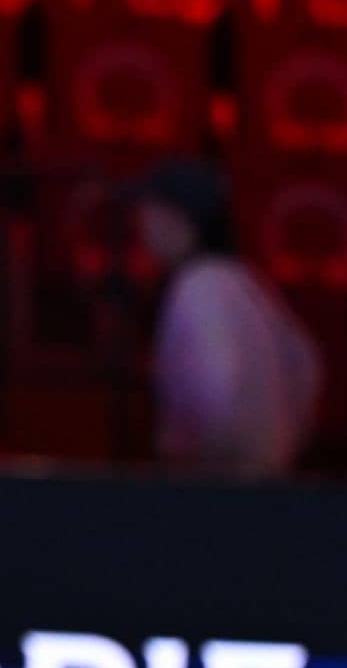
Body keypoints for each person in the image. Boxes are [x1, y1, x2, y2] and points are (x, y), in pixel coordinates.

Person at [131, 157, 321, 479]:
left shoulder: (197, 286)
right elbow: (306, 365)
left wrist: (185, 450)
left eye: (150, 214)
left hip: (217, 487)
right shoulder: (246, 282)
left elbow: (219, 394)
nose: (143, 228)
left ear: (181, 219)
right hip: (259, 478)